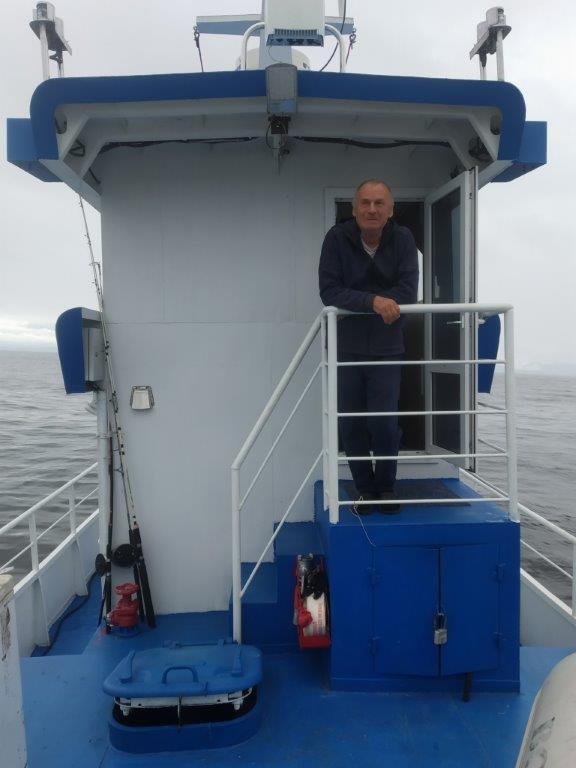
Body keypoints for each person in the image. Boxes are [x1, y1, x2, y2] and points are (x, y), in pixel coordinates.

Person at [318, 179, 419, 515]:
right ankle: (364, 489)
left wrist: (371, 300)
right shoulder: (337, 238)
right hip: (346, 348)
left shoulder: (402, 239)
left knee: (383, 423)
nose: (371, 209)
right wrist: (374, 301)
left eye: (379, 203)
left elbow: (408, 290)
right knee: (351, 424)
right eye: (365, 203)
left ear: (390, 210)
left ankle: (385, 488)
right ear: (354, 209)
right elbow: (329, 291)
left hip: (387, 348)